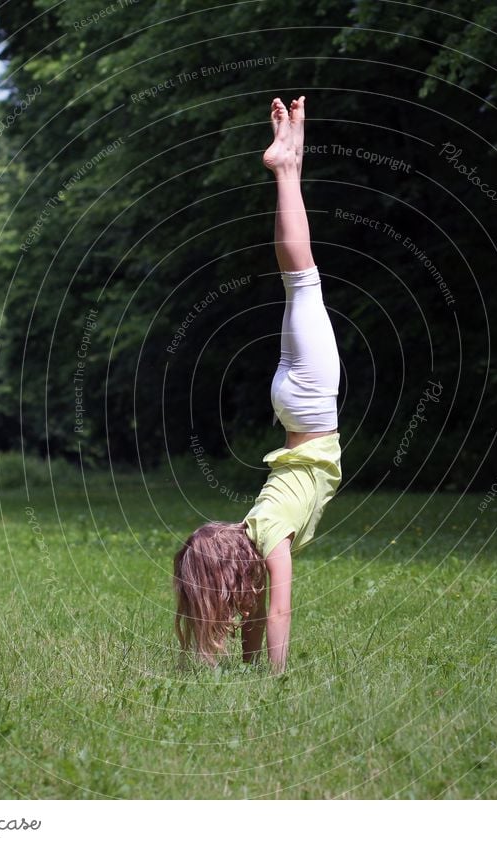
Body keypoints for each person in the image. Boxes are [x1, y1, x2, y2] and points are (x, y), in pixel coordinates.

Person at [173, 96, 341, 673]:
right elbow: (260, 610)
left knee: (304, 280)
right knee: (301, 283)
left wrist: (273, 677)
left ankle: (286, 166)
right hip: (296, 413)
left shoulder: (269, 538)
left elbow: (278, 612)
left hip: (310, 415)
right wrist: (252, 675)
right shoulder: (260, 532)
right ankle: (288, 164)